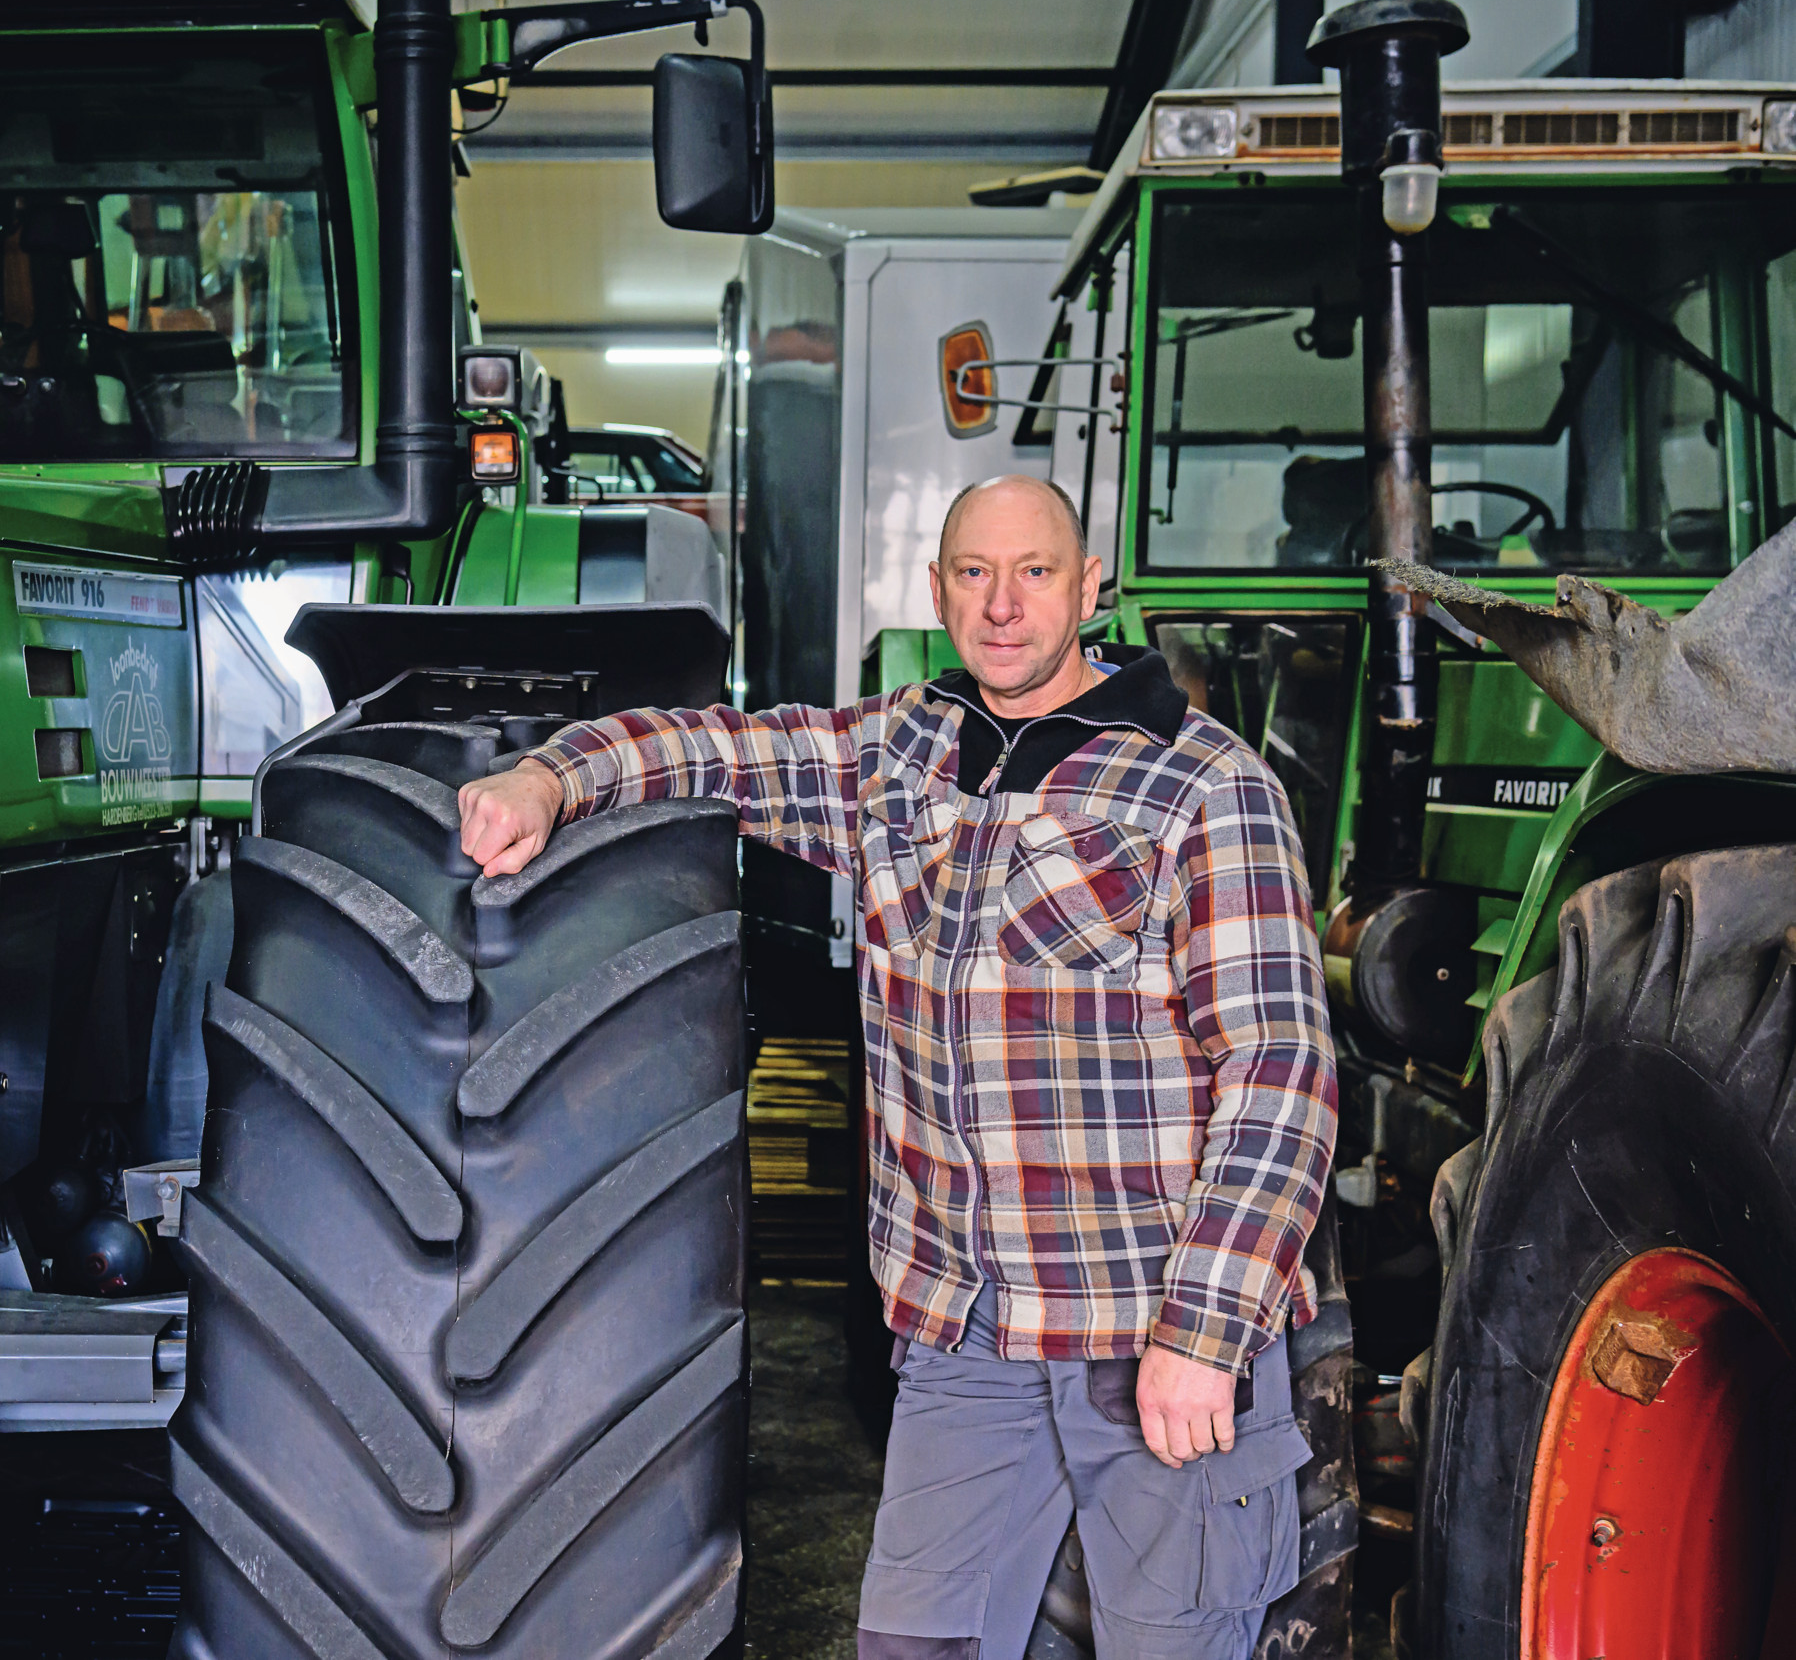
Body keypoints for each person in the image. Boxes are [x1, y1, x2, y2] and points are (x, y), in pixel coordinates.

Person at [457, 474, 1338, 1660]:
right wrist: (552, 776)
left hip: (1149, 1327)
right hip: (964, 1330)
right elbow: (720, 749)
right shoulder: (902, 754)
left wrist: (1207, 1327)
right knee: (916, 1645)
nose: (1003, 605)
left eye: (1034, 573)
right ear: (937, 589)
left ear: (1088, 586)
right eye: (974, 573)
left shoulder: (1201, 784)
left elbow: (1278, 1066)